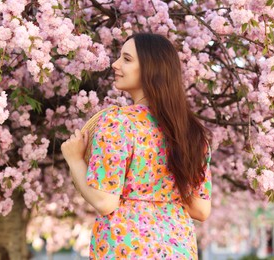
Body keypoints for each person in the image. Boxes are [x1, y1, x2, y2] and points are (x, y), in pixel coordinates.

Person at [61, 33, 212, 259]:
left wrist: (74, 159)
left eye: (127, 59)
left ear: (151, 70)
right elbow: (201, 210)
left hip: (126, 248)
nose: (115, 64)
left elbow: (105, 201)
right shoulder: (191, 133)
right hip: (178, 248)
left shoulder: (118, 123)